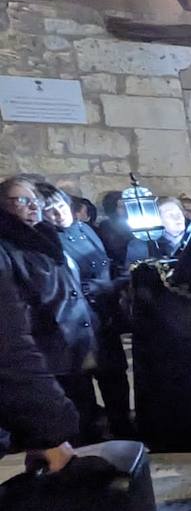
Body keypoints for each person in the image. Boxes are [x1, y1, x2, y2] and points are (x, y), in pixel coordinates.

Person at [0, 177, 99, 441]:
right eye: (21, 200)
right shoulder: (9, 249)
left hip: (73, 347)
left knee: (85, 418)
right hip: (48, 353)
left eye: (35, 200)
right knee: (65, 433)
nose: (33, 206)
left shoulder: (46, 238)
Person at [39, 185, 133, 437]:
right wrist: (99, 287)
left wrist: (118, 279)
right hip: (75, 323)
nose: (58, 214)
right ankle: (92, 438)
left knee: (115, 380)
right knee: (81, 388)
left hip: (103, 318)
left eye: (59, 206)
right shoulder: (46, 242)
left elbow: (106, 263)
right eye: (49, 210)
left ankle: (123, 429)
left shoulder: (85, 229)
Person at [125, 196, 190, 264]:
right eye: (170, 215)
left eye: (179, 213)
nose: (177, 218)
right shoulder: (141, 246)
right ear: (158, 219)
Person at [96, 191, 132, 271]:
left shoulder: (132, 222)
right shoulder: (106, 225)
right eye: (122, 207)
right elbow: (115, 249)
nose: (126, 209)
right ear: (113, 208)